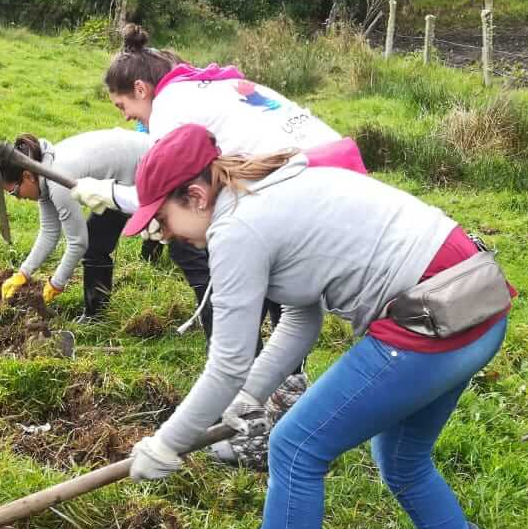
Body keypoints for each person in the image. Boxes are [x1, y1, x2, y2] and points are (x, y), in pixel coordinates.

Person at [120, 123, 515, 529]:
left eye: (164, 220)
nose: (166, 234)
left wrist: (166, 444)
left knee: (295, 448)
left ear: (196, 195)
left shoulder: (236, 228)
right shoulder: (268, 185)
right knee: (401, 457)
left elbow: (227, 361)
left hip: (434, 320)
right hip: (477, 303)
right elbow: (300, 320)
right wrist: (249, 396)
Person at [71, 24, 367, 469]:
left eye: (124, 106)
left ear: (140, 88)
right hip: (337, 174)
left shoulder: (172, 107)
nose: (127, 117)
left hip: (305, 185)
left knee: (242, 284)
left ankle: (254, 425)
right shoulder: (207, 85)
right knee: (295, 303)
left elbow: (174, 192)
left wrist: (113, 196)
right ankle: (274, 406)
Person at [0, 130, 149, 320]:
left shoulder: (57, 179)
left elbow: (77, 243)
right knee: (96, 242)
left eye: (15, 192)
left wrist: (56, 283)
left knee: (94, 243)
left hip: (145, 166)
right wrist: (23, 273)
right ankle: (97, 313)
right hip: (120, 177)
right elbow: (50, 232)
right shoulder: (42, 172)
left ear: (27, 176)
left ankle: (95, 315)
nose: (18, 198)